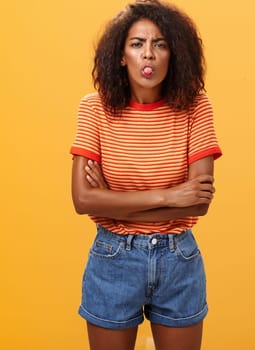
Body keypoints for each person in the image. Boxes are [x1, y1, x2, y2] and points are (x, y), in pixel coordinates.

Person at [70, 1, 221, 349]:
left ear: (174, 53)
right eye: (137, 44)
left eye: (161, 44)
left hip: (178, 259)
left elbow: (198, 204)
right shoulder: (93, 108)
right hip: (113, 258)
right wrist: (171, 196)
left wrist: (114, 201)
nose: (148, 54)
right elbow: (82, 200)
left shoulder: (196, 108)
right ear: (122, 55)